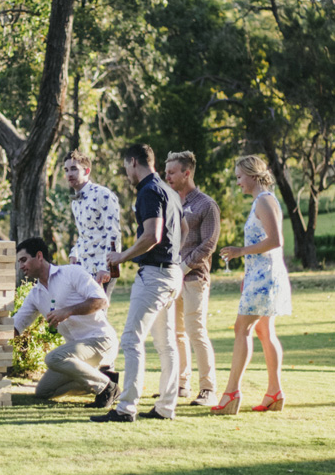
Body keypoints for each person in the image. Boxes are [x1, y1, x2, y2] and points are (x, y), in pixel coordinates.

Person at [90, 143, 187, 424]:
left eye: (125, 167)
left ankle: (126, 408)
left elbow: (153, 235)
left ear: (133, 162)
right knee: (166, 344)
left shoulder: (148, 191)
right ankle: (166, 407)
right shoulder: (170, 190)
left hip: (155, 274)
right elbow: (184, 229)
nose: (126, 173)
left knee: (132, 339)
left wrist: (123, 255)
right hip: (173, 272)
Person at [212, 155, 292, 415]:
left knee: (241, 328)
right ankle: (274, 392)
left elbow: (276, 240)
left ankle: (231, 392)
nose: (237, 183)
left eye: (239, 177)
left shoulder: (265, 200)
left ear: (253, 175)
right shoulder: (262, 201)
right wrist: (248, 274)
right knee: (264, 332)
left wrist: (240, 251)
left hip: (266, 277)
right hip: (261, 276)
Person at [14, 237, 120, 405]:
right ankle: (103, 378)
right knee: (44, 391)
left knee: (53, 358)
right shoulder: (35, 295)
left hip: (101, 340)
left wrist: (68, 311)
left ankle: (106, 386)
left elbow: (101, 301)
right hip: (78, 355)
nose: (21, 266)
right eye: (19, 262)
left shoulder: (71, 273)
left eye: (24, 260)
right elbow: (15, 328)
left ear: (39, 256)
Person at [164, 150, 220, 407]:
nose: (167, 176)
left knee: (196, 331)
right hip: (171, 278)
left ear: (187, 173)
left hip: (194, 278)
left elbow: (209, 244)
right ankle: (182, 384)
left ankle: (208, 389)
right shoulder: (171, 202)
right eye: (166, 172)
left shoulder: (206, 205)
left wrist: (183, 268)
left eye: (172, 172)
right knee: (176, 334)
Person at [64, 149, 121, 297]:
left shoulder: (103, 194)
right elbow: (83, 234)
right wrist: (74, 253)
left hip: (102, 267)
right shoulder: (75, 202)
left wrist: (106, 267)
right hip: (84, 266)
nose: (69, 174)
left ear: (87, 171)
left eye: (74, 169)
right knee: (84, 315)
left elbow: (113, 233)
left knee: (99, 314)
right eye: (66, 170)